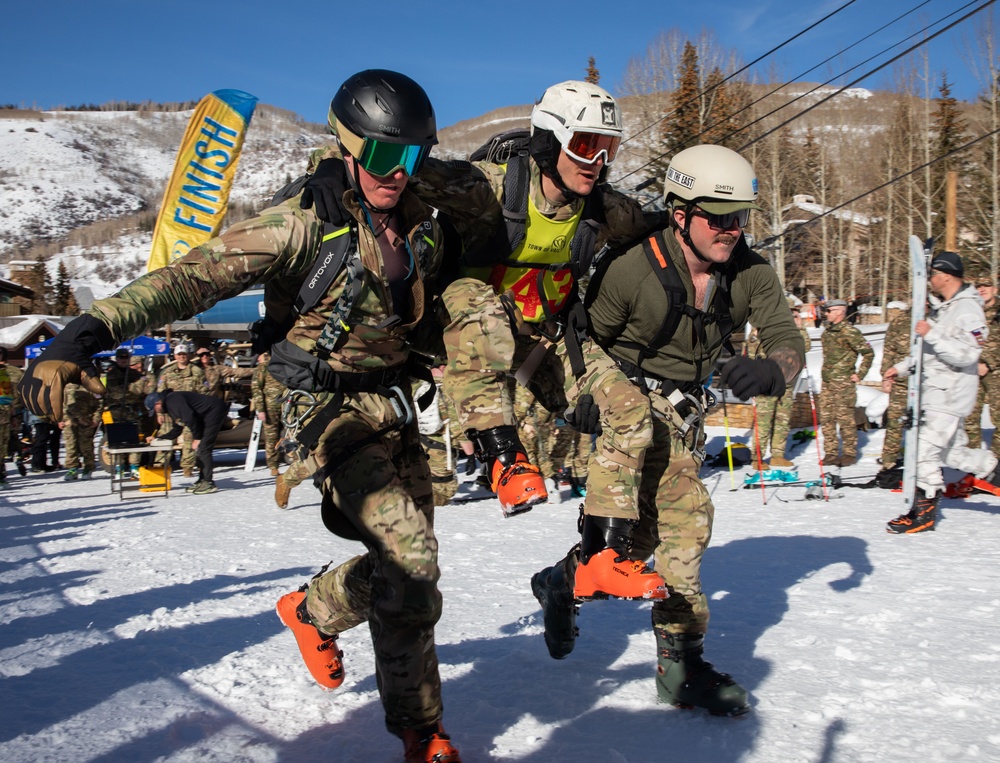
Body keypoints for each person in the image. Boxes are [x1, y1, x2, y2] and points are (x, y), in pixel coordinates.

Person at [16, 69, 460, 762]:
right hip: (318, 403)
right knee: (411, 554)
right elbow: (186, 279)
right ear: (345, 148)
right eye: (379, 156)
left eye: (410, 157)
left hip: (393, 398)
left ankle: (389, 693)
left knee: (412, 580)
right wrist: (80, 336)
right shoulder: (297, 225)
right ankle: (411, 717)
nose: (394, 173)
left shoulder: (423, 208)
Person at [531, 145, 805, 716]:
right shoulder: (635, 268)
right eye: (716, 217)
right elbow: (583, 338)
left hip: (682, 411)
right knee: (690, 517)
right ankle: (682, 665)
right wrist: (581, 397)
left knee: (645, 541)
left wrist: (772, 370)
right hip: (623, 395)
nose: (730, 230)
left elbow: (786, 339)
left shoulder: (750, 273)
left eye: (738, 218)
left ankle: (564, 579)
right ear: (679, 213)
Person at [395, 80, 665, 599]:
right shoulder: (488, 189)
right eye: (585, 145)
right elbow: (394, 169)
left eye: (608, 148)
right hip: (469, 324)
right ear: (550, 142)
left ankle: (601, 554)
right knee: (482, 305)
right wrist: (333, 167)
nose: (597, 161)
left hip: (542, 338)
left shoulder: (604, 210)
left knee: (630, 408)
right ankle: (501, 455)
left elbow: (662, 229)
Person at [884, 252, 1000, 532]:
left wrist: (931, 333)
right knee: (951, 455)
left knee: (923, 451)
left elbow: (969, 354)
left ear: (946, 275)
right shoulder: (947, 308)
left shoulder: (968, 310)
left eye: (933, 275)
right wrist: (899, 368)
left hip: (949, 394)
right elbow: (929, 353)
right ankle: (993, 469)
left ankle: (924, 511)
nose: (931, 282)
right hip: (936, 390)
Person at [752, 309, 812, 468]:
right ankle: (757, 458)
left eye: (795, 315)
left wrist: (800, 327)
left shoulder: (794, 333)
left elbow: (805, 347)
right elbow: (753, 350)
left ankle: (777, 455)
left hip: (788, 382)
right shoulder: (767, 327)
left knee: (782, 420)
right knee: (764, 420)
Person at [820, 299, 873, 466]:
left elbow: (868, 353)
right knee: (827, 419)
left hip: (843, 383)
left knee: (845, 419)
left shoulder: (850, 332)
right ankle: (831, 452)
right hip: (828, 382)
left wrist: (860, 374)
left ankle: (849, 453)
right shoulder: (827, 332)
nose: (826, 314)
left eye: (829, 311)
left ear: (839, 312)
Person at [143, 390, 228, 494]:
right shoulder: (170, 405)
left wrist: (197, 438)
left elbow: (190, 418)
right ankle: (202, 479)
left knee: (204, 447)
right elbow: (177, 428)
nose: (156, 412)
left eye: (154, 409)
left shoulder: (173, 401)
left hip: (215, 410)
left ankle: (208, 482)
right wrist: (158, 439)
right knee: (200, 447)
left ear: (157, 403)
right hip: (206, 414)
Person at [157, 343, 208, 477]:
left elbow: (203, 393)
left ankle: (187, 467)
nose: (182, 357)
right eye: (179, 355)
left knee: (189, 439)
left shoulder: (196, 372)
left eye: (184, 354)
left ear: (189, 355)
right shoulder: (167, 373)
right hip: (171, 413)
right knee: (165, 438)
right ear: (175, 356)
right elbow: (160, 394)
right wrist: (159, 412)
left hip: (190, 413)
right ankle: (160, 466)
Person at [963, 273, 1000, 455]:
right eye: (979, 287)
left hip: (996, 371)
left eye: (986, 286)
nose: (982, 289)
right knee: (970, 417)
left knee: (998, 418)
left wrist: (988, 363)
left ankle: (997, 462)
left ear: (995, 289)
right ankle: (974, 460)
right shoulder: (972, 312)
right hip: (972, 369)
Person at [103, 346, 152, 478]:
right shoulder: (112, 374)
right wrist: (133, 391)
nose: (124, 360)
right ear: (117, 359)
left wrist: (135, 391)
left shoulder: (134, 373)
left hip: (133, 411)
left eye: (126, 357)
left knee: (134, 440)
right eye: (121, 357)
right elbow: (117, 393)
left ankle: (134, 466)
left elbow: (143, 389)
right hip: (117, 411)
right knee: (118, 441)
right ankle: (119, 467)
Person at [878, 305, 911, 470]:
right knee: (895, 420)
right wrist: (886, 376)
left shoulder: (940, 318)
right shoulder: (901, 321)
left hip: (931, 382)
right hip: (901, 381)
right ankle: (888, 460)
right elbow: (889, 349)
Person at [250, 352, 286, 477]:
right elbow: (256, 388)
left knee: (293, 434)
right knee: (272, 437)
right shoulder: (263, 367)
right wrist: (261, 409)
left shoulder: (286, 365)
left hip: (287, 405)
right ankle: (273, 466)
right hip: (270, 407)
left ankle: (297, 462)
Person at [60, 381, 100, 480]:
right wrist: (60, 419)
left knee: (86, 445)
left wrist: (96, 418)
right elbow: (60, 403)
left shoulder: (91, 384)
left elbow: (99, 403)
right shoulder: (66, 385)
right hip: (69, 420)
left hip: (85, 419)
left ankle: (88, 467)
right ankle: (72, 468)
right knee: (71, 445)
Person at [0, 346, 24, 490]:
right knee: (6, 442)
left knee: (4, 443)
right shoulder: (15, 372)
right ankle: (17, 455)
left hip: (7, 412)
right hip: (9, 412)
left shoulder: (7, 375)